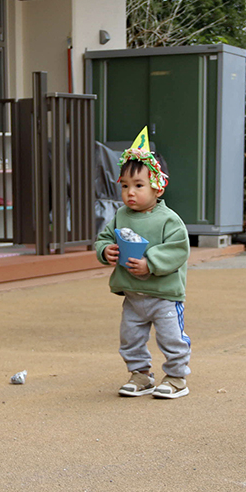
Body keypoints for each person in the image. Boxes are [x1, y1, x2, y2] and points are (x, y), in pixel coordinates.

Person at [94, 128, 192, 399]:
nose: (130, 193)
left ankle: (176, 376)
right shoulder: (120, 216)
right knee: (130, 338)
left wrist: (151, 263)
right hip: (133, 294)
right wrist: (106, 251)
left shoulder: (169, 220)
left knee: (172, 338)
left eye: (138, 185)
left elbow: (178, 250)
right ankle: (140, 374)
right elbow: (104, 238)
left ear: (158, 186)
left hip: (164, 296)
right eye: (125, 186)